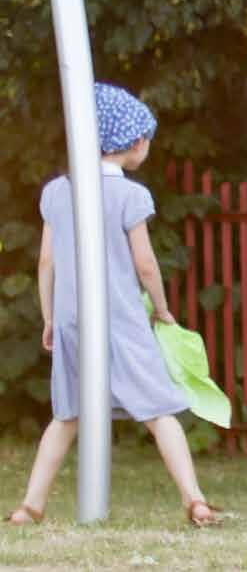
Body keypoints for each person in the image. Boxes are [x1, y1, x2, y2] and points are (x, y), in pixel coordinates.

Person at [6, 84, 219, 529]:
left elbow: (46, 261)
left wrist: (49, 317)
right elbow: (145, 264)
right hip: (121, 318)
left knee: (67, 414)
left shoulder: (57, 192)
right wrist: (161, 308)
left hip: (71, 318)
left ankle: (30, 506)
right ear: (136, 142)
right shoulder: (131, 196)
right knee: (160, 410)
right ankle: (195, 499)